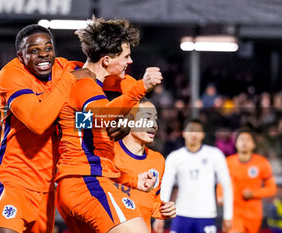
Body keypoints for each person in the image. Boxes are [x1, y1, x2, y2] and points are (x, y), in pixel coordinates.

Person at [0, 24, 96, 233]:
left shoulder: (65, 68)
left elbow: (106, 74)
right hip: (14, 180)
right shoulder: (11, 75)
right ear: (20, 56)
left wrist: (140, 87)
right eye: (34, 50)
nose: (43, 55)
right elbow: (38, 122)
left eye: (48, 48)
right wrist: (70, 81)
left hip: (47, 187)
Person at [55, 17, 163, 233]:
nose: (130, 62)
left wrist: (131, 180)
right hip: (86, 184)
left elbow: (90, 128)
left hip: (78, 184)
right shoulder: (85, 85)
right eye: (126, 56)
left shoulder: (84, 86)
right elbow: (105, 116)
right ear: (106, 60)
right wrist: (141, 86)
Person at [157, 118, 233, 233]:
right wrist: (160, 216)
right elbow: (166, 185)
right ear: (183, 133)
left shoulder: (215, 155)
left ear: (203, 134)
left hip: (206, 214)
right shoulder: (175, 157)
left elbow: (227, 185)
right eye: (190, 130)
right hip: (181, 214)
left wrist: (228, 216)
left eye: (197, 131)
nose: (193, 134)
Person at [112, 98, 176, 232]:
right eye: (147, 119)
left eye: (155, 119)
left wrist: (164, 210)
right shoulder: (109, 154)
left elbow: (153, 201)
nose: (154, 125)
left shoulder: (158, 160)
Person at [217, 129, 277, 233]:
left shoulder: (262, 163)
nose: (244, 142)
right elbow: (221, 183)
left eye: (248, 140)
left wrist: (253, 194)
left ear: (253, 144)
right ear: (235, 144)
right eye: (241, 139)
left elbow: (272, 189)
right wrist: (220, 196)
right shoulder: (228, 162)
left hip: (254, 214)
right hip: (234, 211)